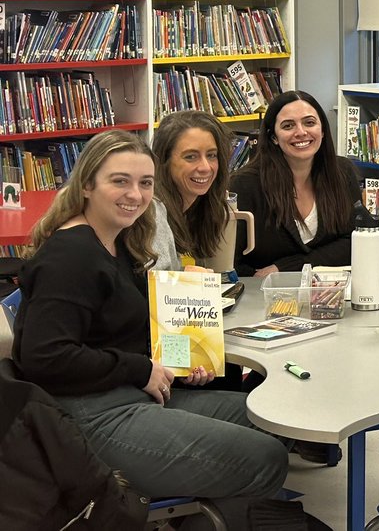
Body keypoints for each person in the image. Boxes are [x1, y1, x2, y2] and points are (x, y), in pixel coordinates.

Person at [11, 131, 287, 520]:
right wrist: (142, 370)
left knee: (271, 415)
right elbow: (44, 357)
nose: (135, 195)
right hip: (88, 418)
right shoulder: (71, 256)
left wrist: (180, 362)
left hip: (126, 394)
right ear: (87, 184)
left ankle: (202, 517)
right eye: (119, 181)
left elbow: (118, 333)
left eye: (145, 183)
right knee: (267, 457)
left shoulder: (118, 242)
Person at [230, 90, 360, 277]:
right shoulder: (244, 184)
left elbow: (355, 241)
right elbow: (231, 263)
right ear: (273, 136)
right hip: (262, 296)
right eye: (288, 126)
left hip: (328, 293)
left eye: (309, 123)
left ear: (322, 130)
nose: (301, 132)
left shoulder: (342, 171)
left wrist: (287, 268)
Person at [150, 109, 234, 271]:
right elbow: (155, 287)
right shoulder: (154, 210)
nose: (205, 167)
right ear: (164, 160)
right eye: (191, 157)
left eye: (211, 155)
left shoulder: (202, 206)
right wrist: (185, 279)